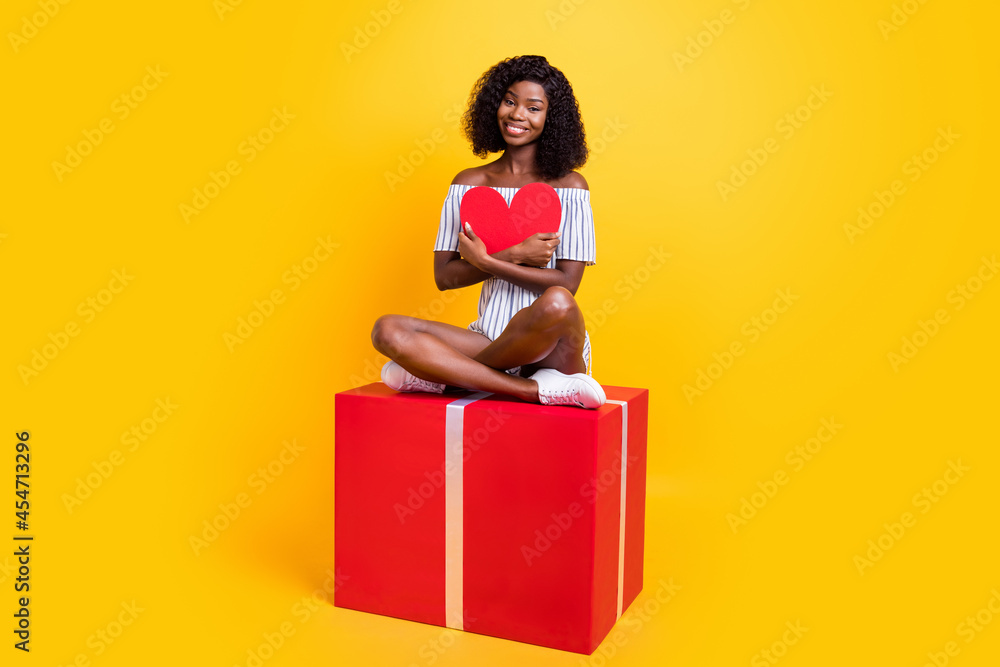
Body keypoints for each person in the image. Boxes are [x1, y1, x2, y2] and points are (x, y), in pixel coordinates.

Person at [371, 55, 605, 409]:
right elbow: (445, 277)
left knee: (558, 303)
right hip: (487, 339)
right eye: (509, 101)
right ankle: (528, 389)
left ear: (550, 118)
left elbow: (567, 284)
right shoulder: (468, 185)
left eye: (533, 107)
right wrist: (514, 255)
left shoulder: (571, 187)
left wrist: (489, 262)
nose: (517, 115)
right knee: (387, 329)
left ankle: (448, 376)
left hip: (553, 348)